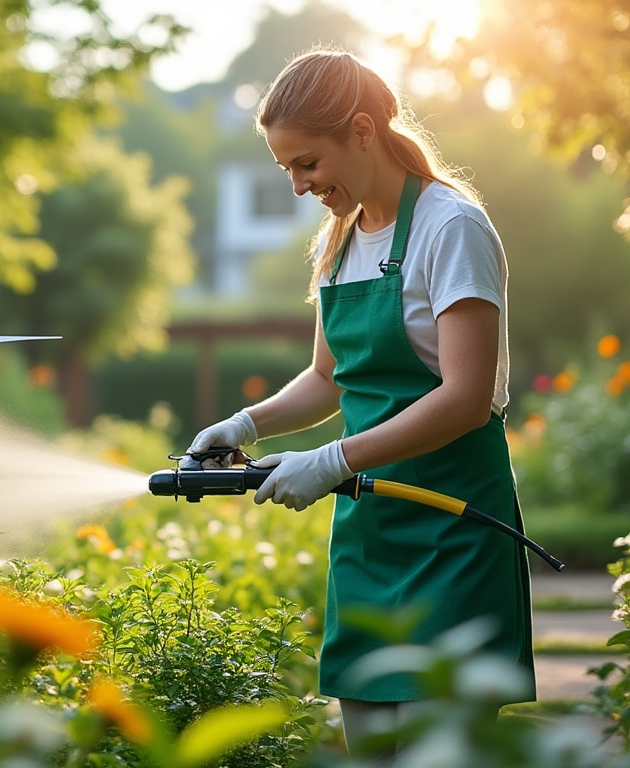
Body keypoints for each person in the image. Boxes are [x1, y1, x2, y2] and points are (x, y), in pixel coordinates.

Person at [185, 48, 534, 760]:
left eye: (308, 163)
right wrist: (246, 424)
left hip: (453, 525)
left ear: (364, 131)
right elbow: (328, 378)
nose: (298, 185)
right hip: (369, 533)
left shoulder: (451, 228)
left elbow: (466, 398)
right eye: (287, 168)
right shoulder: (341, 239)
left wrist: (332, 459)